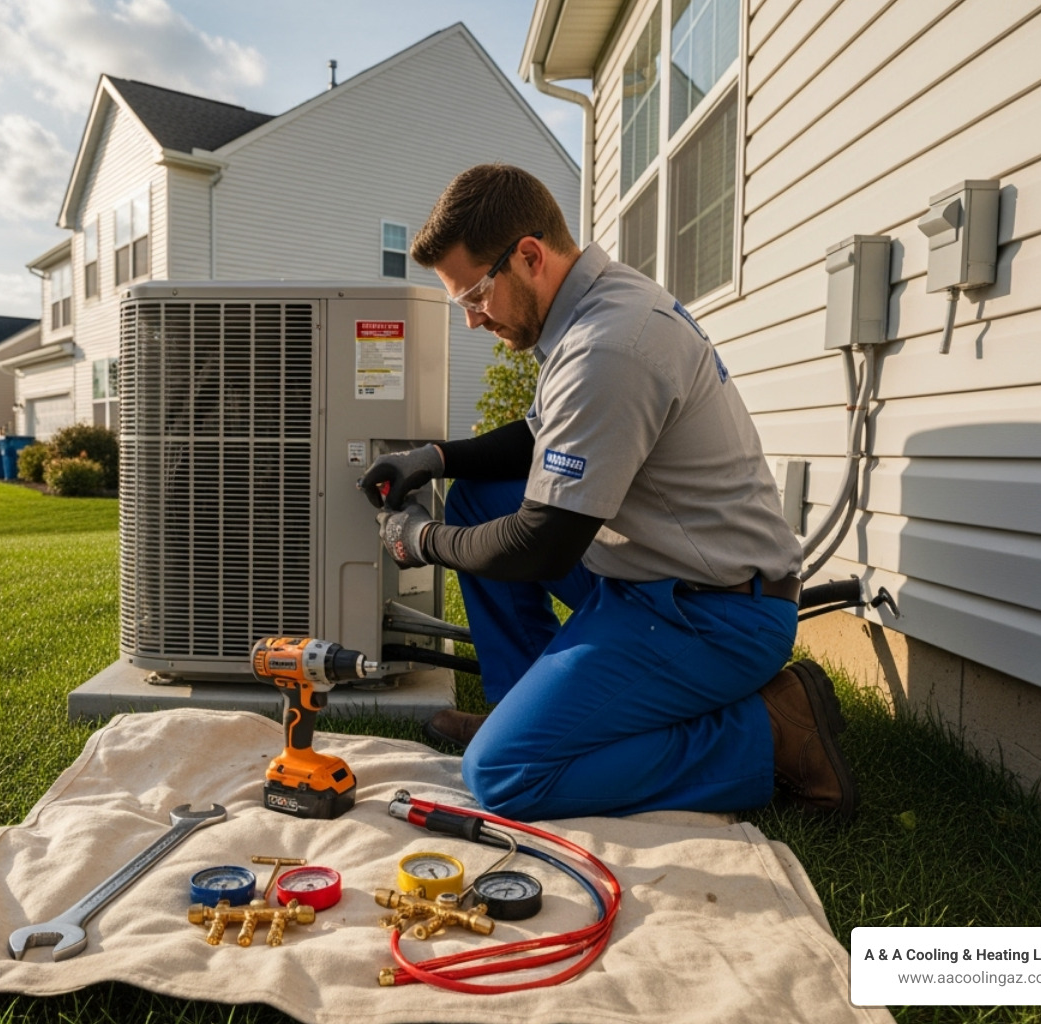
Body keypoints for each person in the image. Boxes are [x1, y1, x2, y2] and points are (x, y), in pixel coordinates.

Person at [360, 164, 856, 822]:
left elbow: (541, 546)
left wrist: (419, 540)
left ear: (529, 256)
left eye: (476, 296)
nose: (475, 320)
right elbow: (541, 436)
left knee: (503, 774)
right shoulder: (591, 309)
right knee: (479, 498)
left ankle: (771, 735)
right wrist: (438, 458)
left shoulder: (607, 347)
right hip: (659, 577)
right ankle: (525, 711)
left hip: (713, 616)